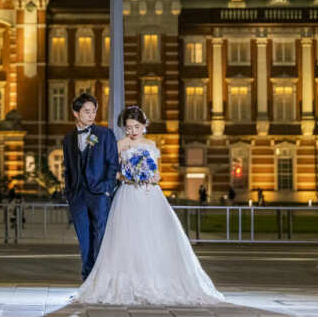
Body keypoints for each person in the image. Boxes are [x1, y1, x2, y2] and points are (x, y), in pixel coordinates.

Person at [74, 106, 224, 305]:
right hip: (128, 195)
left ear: (144, 125)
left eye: (136, 127)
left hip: (151, 195)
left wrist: (153, 177)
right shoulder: (119, 145)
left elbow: (158, 174)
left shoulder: (152, 145)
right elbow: (110, 171)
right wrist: (125, 176)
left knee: (155, 237)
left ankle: (157, 281)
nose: (133, 131)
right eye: (128, 128)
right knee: (127, 239)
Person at [62, 93, 119, 281]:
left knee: (100, 235)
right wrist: (69, 191)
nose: (91, 115)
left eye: (94, 111)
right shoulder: (68, 139)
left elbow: (113, 164)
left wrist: (107, 188)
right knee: (84, 238)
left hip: (99, 194)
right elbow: (68, 167)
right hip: (77, 195)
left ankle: (99, 276)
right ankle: (87, 276)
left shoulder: (104, 134)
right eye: (87, 111)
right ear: (76, 113)